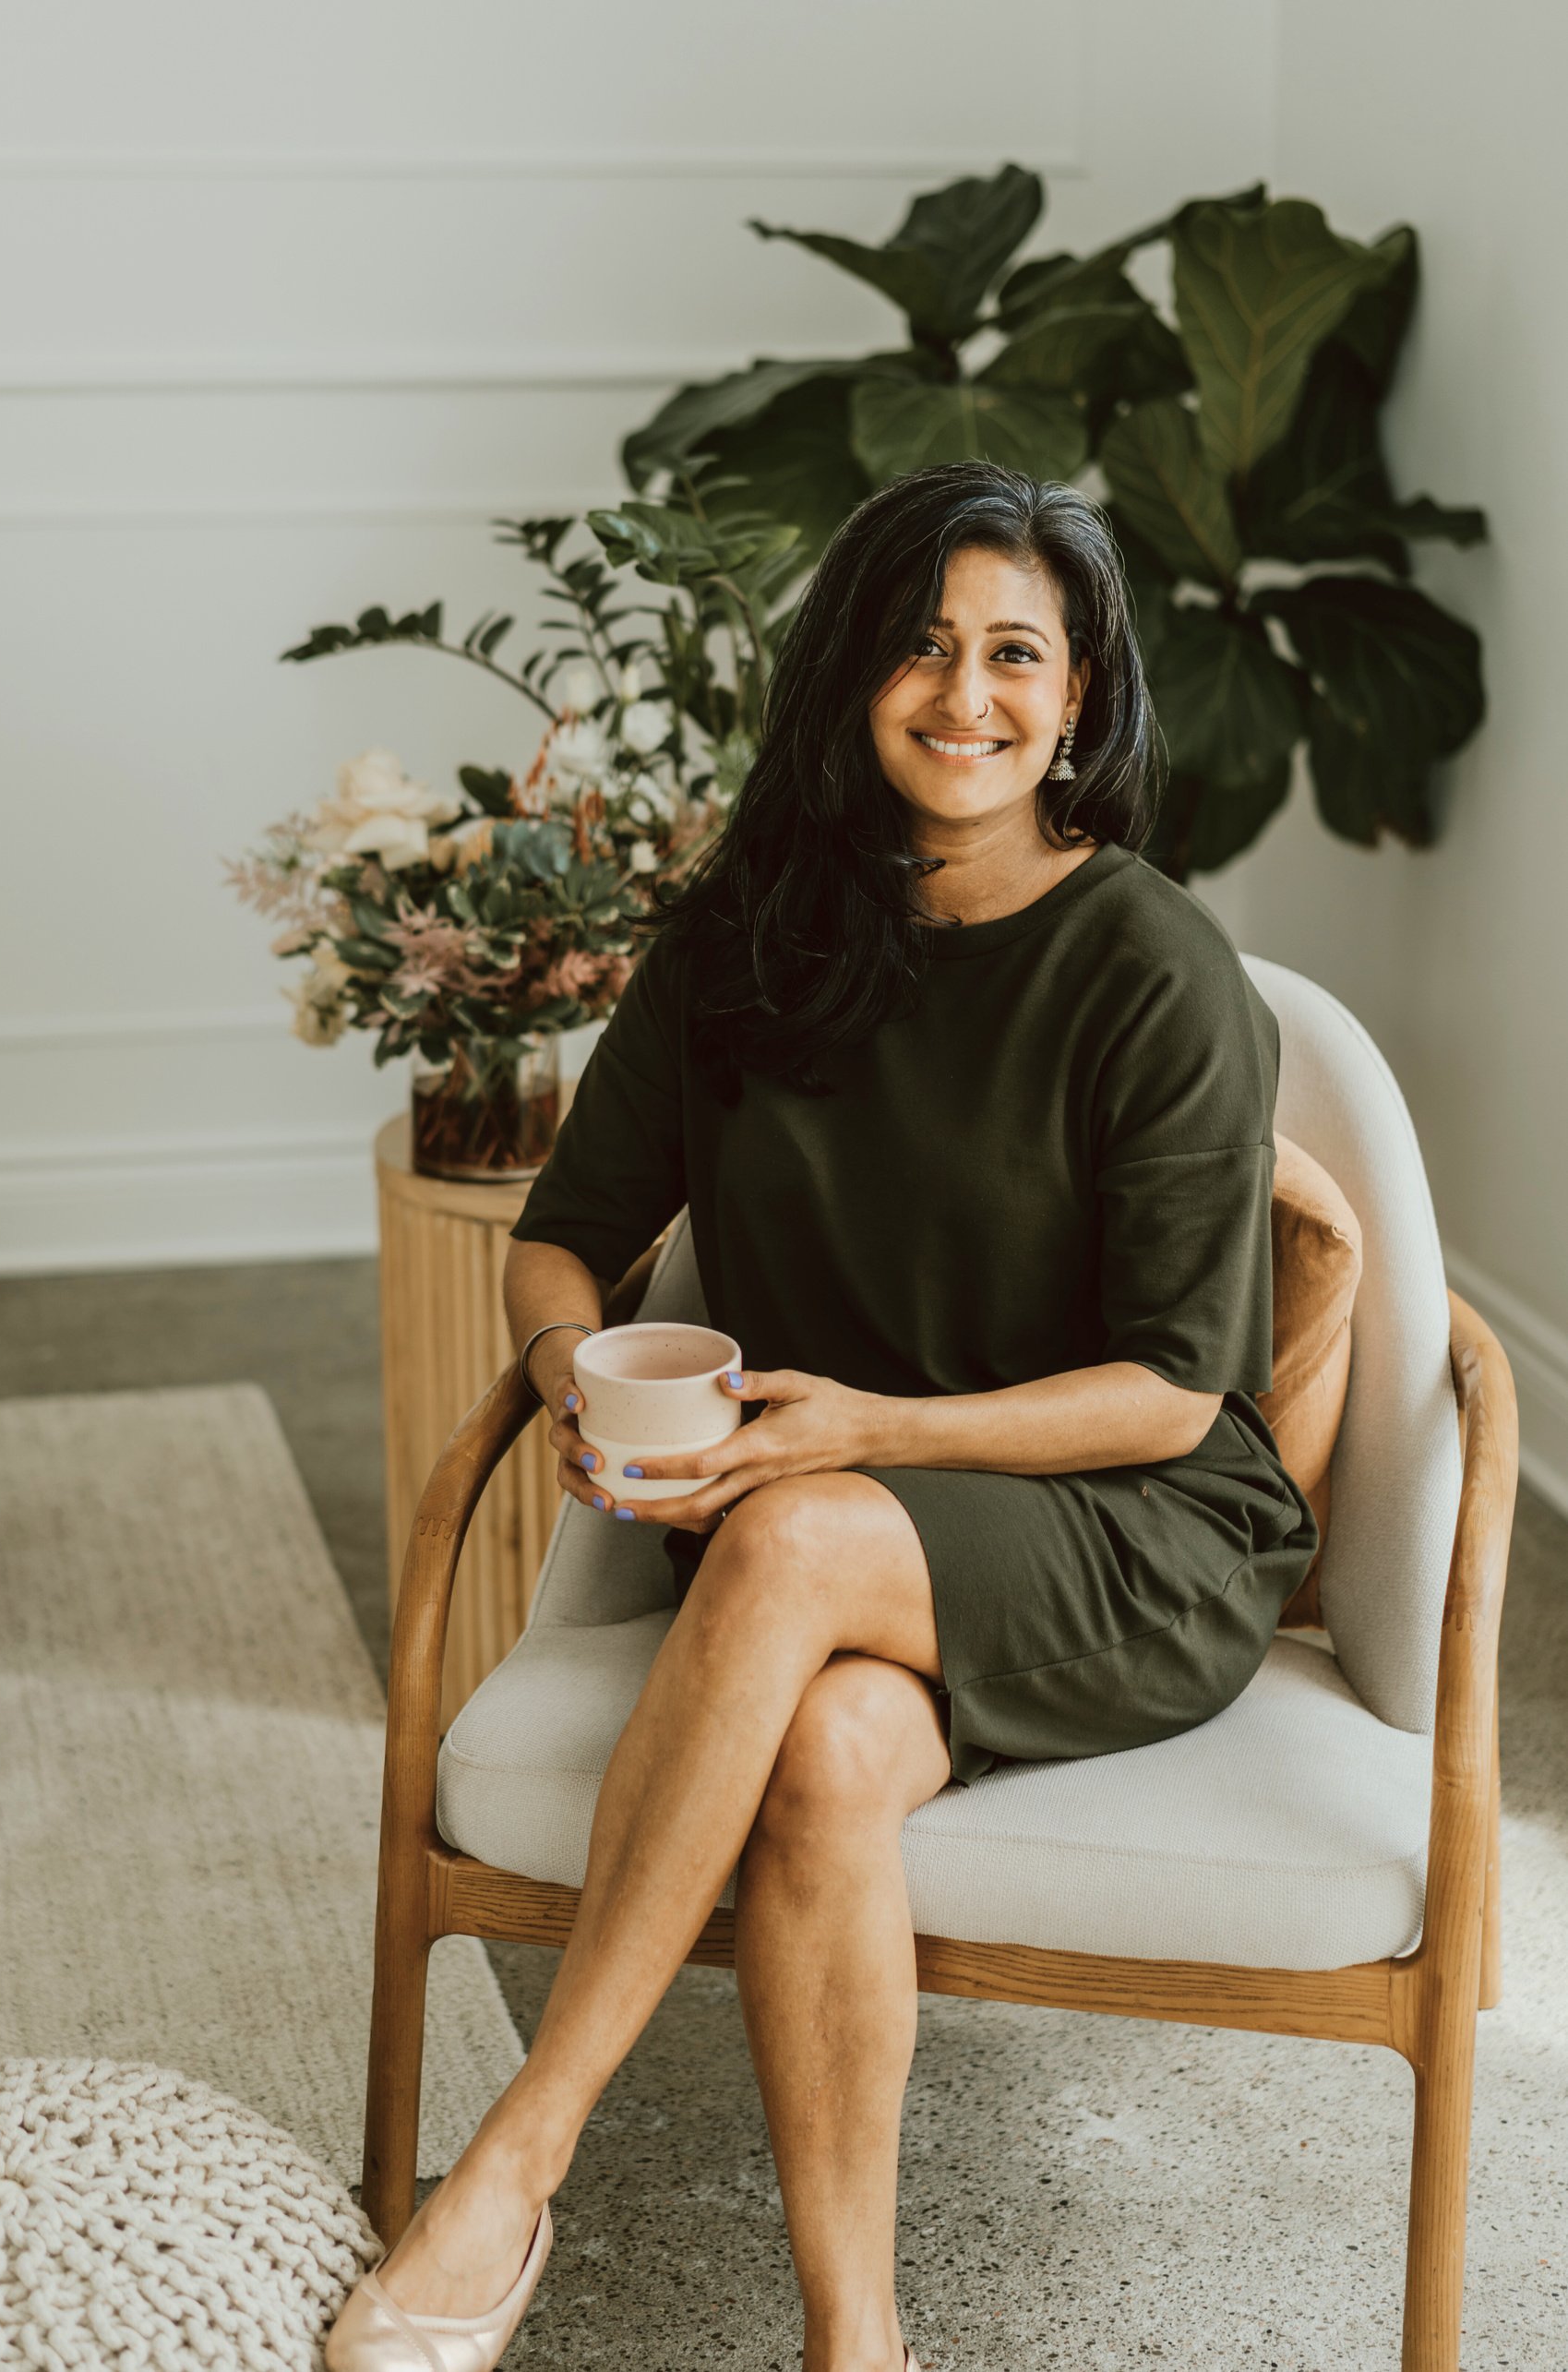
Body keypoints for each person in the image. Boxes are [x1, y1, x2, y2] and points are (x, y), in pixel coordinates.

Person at [325, 462, 1319, 2372]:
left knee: (784, 1534)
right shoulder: (742, 939)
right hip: (838, 1522)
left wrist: (855, 1433)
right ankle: (853, 2342)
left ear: (1083, 693)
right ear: (848, 679)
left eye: (1016, 651)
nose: (966, 692)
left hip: (1134, 1531)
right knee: (833, 1757)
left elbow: (1169, 1390)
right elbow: (564, 1246)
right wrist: (572, 1384)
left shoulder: (1151, 967)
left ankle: (515, 2162)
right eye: (919, 644)